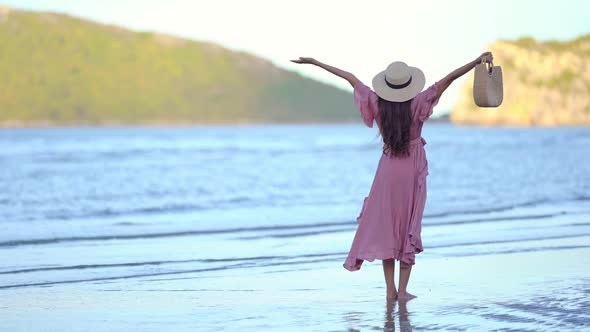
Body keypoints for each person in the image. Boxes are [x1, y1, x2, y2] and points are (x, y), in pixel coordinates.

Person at [291, 52, 493, 301]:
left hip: (387, 170)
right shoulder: (419, 102)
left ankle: (390, 290)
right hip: (411, 170)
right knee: (408, 225)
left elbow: (351, 78)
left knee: (388, 227)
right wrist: (476, 62)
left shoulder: (377, 104)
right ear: (409, 85)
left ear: (387, 86)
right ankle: (403, 290)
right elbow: (449, 78)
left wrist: (316, 63)